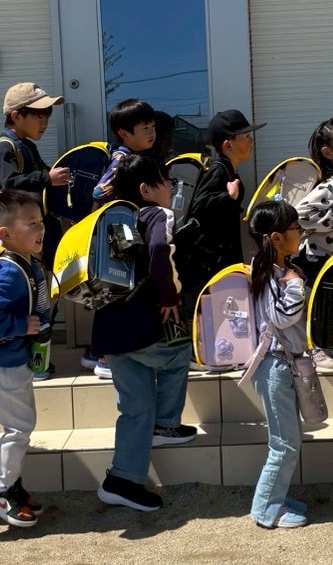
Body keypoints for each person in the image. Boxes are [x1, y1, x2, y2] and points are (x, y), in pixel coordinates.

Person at [93, 154, 198, 514]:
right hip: (142, 323)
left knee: (136, 409)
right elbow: (158, 249)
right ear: (146, 189)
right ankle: (166, 424)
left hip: (108, 326)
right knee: (179, 353)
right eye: (166, 181)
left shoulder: (110, 217)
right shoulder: (156, 214)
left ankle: (121, 481)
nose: (171, 187)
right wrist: (169, 296)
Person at [0, 189, 52, 528]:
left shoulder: (22, 263)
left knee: (20, 425)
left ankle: (13, 487)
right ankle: (1, 492)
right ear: (5, 233)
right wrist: (20, 326)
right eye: (31, 223)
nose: (40, 229)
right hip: (2, 361)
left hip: (10, 359)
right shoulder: (9, 271)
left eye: (40, 222)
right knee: (18, 427)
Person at [245, 200, 310, 530]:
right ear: (276, 238)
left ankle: (275, 498)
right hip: (274, 365)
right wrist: (296, 285)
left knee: (288, 439)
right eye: (296, 228)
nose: (301, 233)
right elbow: (281, 317)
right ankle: (266, 509)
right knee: (284, 443)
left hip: (282, 365)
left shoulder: (277, 269)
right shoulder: (270, 273)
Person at [177, 108, 263, 314]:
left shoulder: (228, 170)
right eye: (246, 137)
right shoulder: (218, 170)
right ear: (228, 145)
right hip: (210, 266)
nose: (251, 141)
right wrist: (228, 197)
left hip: (218, 263)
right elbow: (199, 207)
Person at [294, 117, 333, 374]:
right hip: (313, 257)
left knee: (325, 303)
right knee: (317, 304)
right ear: (328, 153)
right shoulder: (329, 186)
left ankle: (319, 348)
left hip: (326, 256)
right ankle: (313, 351)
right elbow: (298, 215)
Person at [0, 82, 69, 272]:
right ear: (16, 116)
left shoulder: (27, 145)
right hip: (20, 233)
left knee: (47, 276)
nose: (44, 123)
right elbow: (8, 183)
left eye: (47, 116)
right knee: (26, 277)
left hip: (36, 227)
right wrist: (46, 178)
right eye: (39, 116)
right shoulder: (5, 146)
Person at [93, 98, 158, 202]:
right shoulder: (122, 160)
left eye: (153, 126)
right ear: (123, 134)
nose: (152, 132)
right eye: (145, 128)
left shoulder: (144, 155)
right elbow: (98, 194)